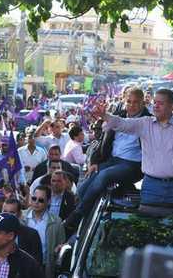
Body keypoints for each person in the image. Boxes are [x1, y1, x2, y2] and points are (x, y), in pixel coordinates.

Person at [93, 88, 173, 206]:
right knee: (149, 220)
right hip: (151, 185)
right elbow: (122, 123)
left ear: (171, 106)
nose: (156, 106)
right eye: (155, 102)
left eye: (161, 103)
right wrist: (104, 115)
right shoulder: (145, 123)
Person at [64, 88, 150, 230]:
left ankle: (76, 216)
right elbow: (104, 140)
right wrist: (95, 162)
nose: (132, 105)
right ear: (124, 101)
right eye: (129, 101)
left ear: (142, 103)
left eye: (136, 102)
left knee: (105, 175)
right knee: (85, 185)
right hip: (112, 160)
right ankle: (73, 221)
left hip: (133, 165)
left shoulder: (148, 120)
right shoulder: (118, 115)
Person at [0, 198, 43, 265]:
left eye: (12, 213)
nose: (7, 215)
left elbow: (36, 263)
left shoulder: (32, 235)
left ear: (19, 214)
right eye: (4, 212)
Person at [23, 186, 65, 278]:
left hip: (44, 267)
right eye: (34, 198)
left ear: (49, 201)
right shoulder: (21, 217)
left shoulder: (56, 222)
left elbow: (61, 245)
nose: (36, 202)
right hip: (22, 265)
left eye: (41, 200)